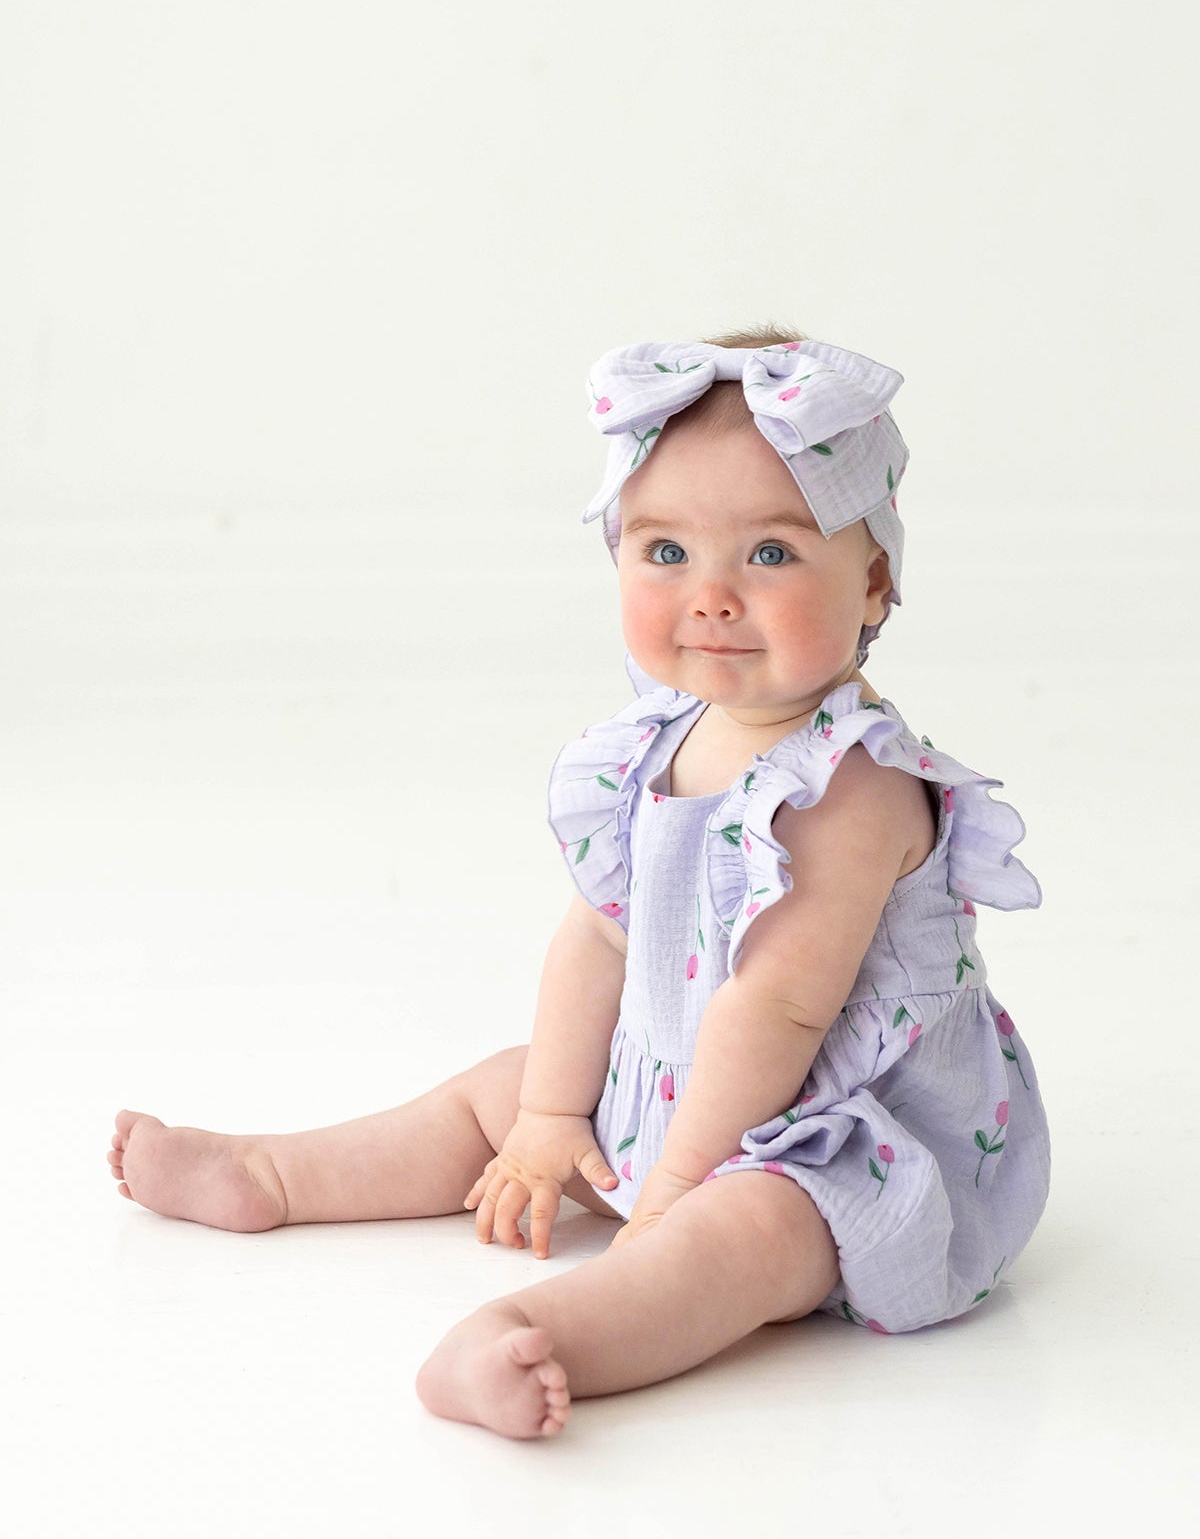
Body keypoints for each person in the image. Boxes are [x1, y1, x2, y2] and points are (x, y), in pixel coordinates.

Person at [106, 325, 1050, 1440]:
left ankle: (543, 1335)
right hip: (683, 1094)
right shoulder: (657, 743)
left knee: (746, 1233)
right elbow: (600, 937)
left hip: (839, 1140)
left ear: (875, 578)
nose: (711, 597)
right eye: (665, 554)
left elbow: (779, 1006)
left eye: (771, 554)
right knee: (503, 1089)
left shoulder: (851, 788)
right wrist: (553, 1118)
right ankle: (275, 1174)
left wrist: (670, 1194)